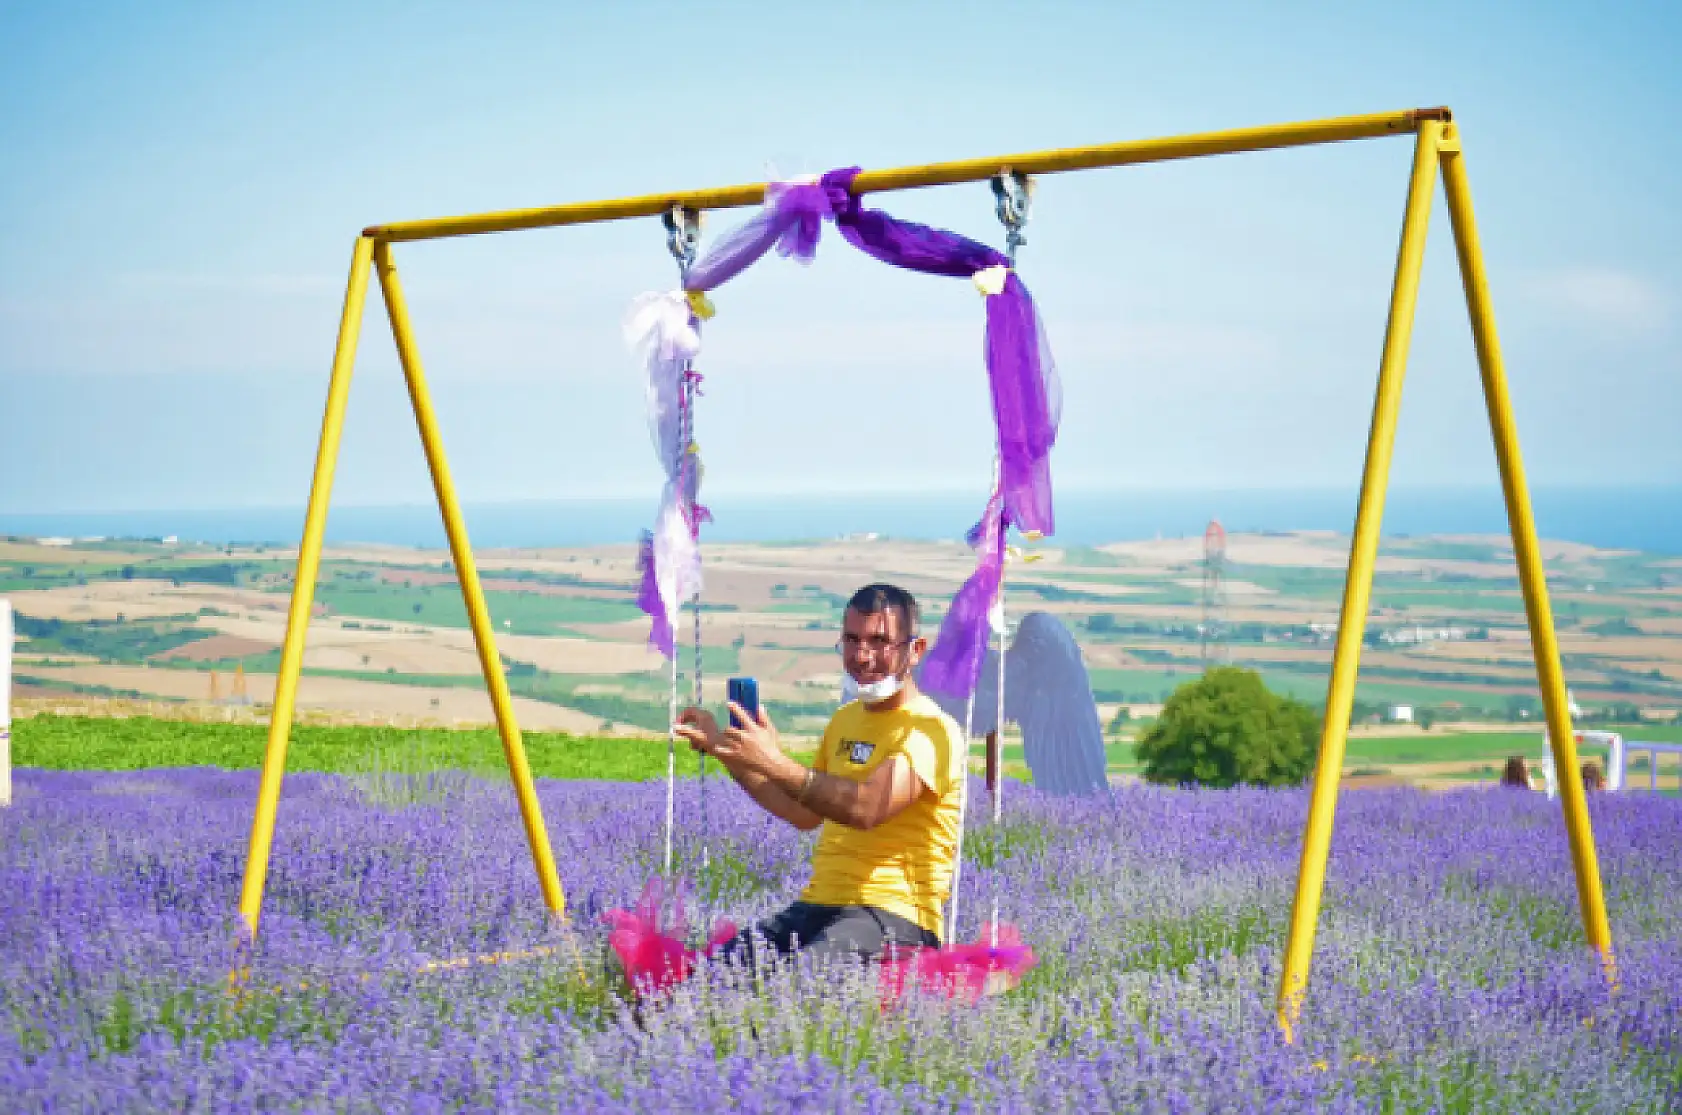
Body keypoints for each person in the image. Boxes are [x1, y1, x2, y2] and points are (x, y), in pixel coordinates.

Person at [677, 583, 965, 968]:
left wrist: (775, 760)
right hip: (819, 905)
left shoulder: (931, 731)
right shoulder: (845, 720)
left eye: (880, 641)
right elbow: (804, 812)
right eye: (852, 639)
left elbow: (867, 808)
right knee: (707, 975)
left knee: (800, 982)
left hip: (896, 915)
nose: (862, 656)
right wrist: (730, 752)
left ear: (915, 650)